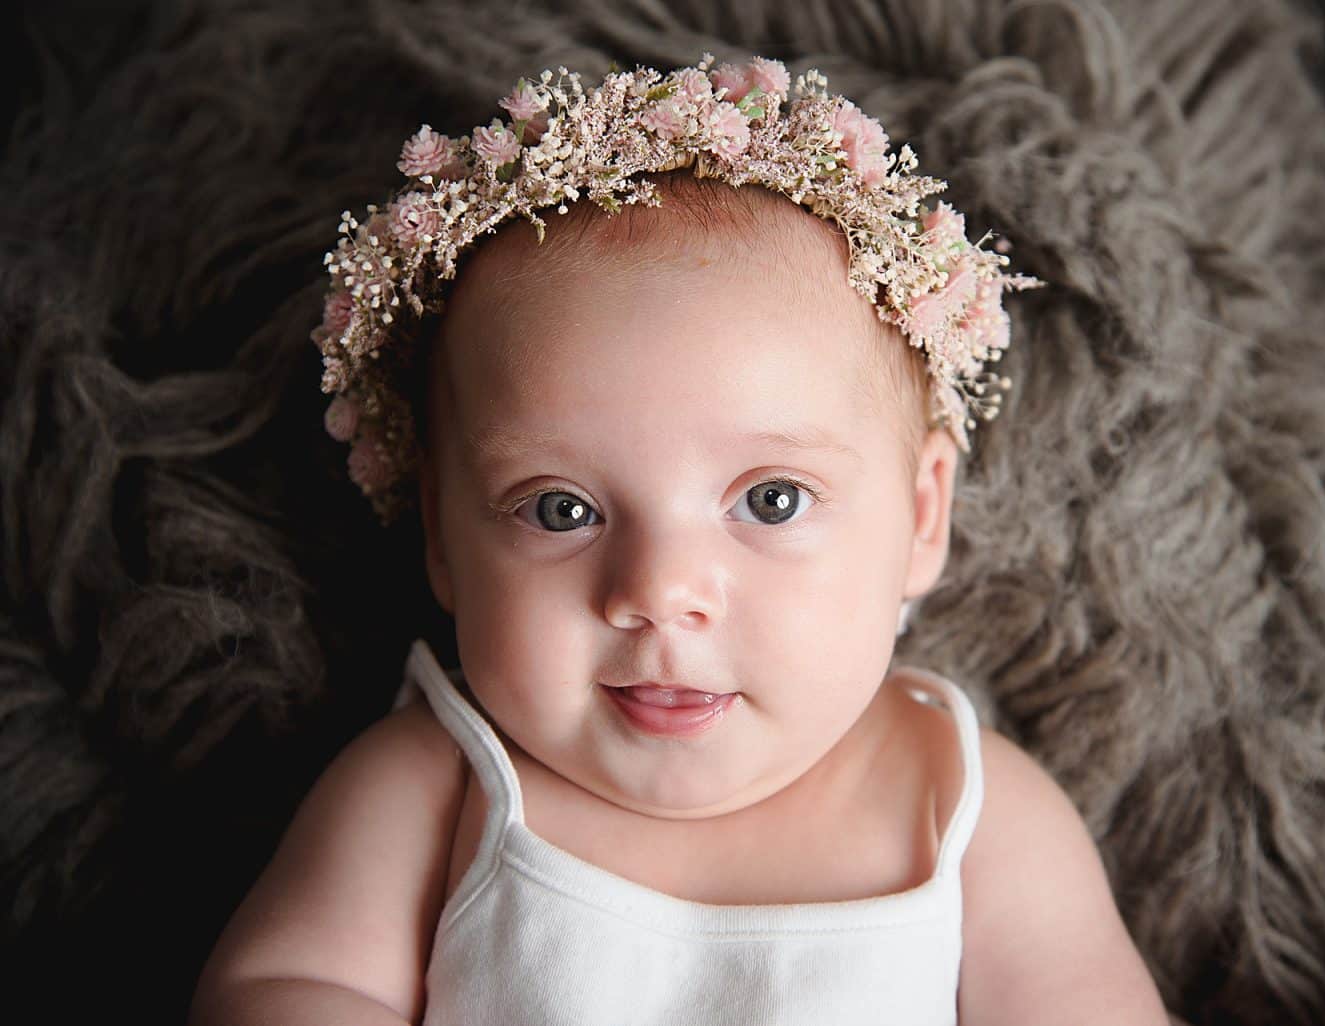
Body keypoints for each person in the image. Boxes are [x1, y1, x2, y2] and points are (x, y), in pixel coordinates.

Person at [188, 54, 1167, 1025]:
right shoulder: (434, 786)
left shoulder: (968, 810)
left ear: (920, 518)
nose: (659, 591)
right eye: (561, 510)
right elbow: (281, 991)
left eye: (771, 501)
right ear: (442, 537)